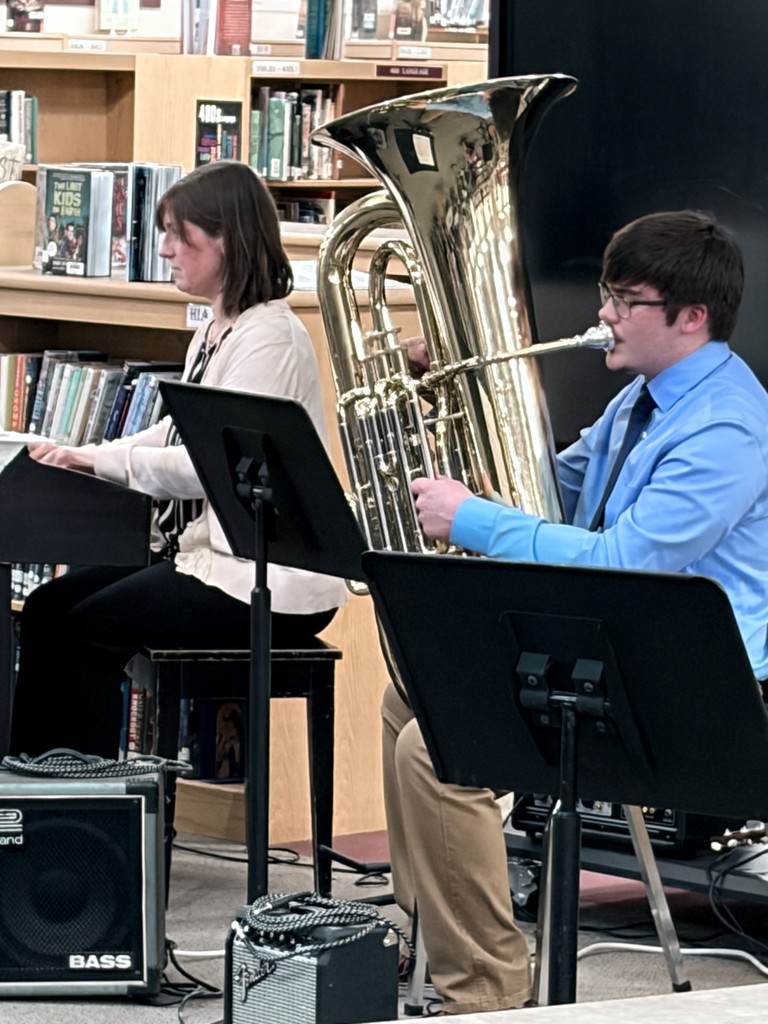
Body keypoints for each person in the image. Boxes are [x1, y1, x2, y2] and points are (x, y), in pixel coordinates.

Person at [385, 210, 768, 1015]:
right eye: (607, 293)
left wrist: (476, 521)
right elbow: (554, 488)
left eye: (626, 299)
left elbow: (626, 563)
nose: (603, 314)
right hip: (619, 653)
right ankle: (438, 931)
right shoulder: (641, 400)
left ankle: (483, 989)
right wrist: (455, 427)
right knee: (406, 691)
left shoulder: (728, 426)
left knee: (435, 749)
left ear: (691, 317)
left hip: (702, 688)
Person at [10, 160, 347, 759]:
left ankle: (83, 813)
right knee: (46, 608)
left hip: (263, 579)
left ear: (224, 239)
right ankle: (33, 800)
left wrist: (105, 466)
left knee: (84, 632)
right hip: (213, 562)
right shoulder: (219, 327)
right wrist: (85, 454)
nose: (164, 249)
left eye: (177, 234)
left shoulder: (271, 338)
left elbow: (207, 465)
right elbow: (174, 430)